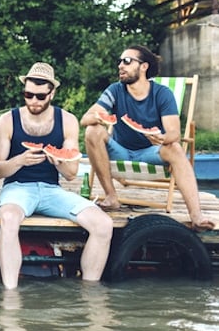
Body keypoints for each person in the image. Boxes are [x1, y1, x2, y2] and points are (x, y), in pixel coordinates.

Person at [0, 63, 113, 289]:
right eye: (28, 94)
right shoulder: (8, 120)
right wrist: (19, 160)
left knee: (103, 224)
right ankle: (10, 294)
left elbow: (70, 174)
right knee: (8, 219)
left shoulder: (67, 120)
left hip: (51, 190)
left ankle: (89, 293)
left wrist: (59, 163)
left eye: (40, 96)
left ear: (52, 93)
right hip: (17, 187)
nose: (33, 101)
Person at [80, 45, 215, 232]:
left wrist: (161, 138)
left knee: (175, 148)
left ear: (143, 66)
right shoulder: (115, 90)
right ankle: (111, 197)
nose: (121, 65)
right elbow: (85, 119)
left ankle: (196, 216)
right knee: (92, 131)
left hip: (150, 152)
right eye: (119, 61)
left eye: (127, 61)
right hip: (119, 150)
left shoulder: (162, 93)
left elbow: (174, 133)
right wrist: (100, 117)